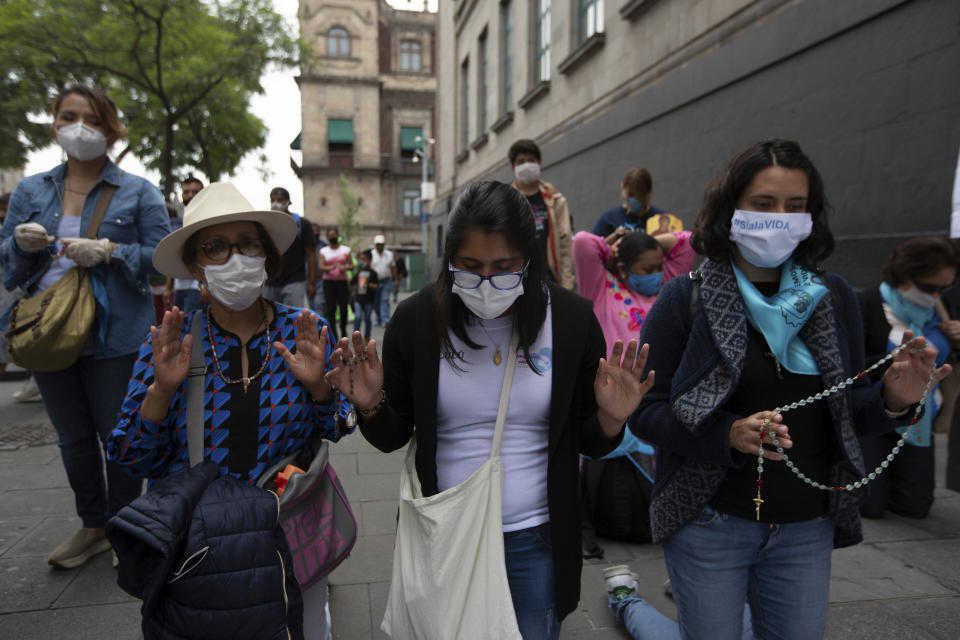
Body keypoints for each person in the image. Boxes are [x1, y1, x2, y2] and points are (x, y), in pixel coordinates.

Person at [629, 139, 950, 639]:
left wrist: (894, 398)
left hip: (806, 529)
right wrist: (727, 434)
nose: (781, 218)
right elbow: (645, 412)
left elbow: (846, 413)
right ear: (731, 207)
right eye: (764, 204)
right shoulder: (684, 298)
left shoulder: (832, 297)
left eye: (795, 207)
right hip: (710, 522)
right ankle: (629, 604)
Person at [326, 181, 655, 639]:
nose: (486, 283)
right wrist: (370, 404)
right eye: (470, 267)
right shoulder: (417, 320)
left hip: (536, 538)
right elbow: (392, 435)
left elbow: (587, 439)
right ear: (449, 261)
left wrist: (612, 418)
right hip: (443, 535)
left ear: (529, 259)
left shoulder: (573, 321)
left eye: (504, 268)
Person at [106, 181, 353, 640]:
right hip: (202, 548)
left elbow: (336, 427)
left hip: (290, 531)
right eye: (215, 248)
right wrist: (160, 391)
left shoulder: (305, 329)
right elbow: (131, 457)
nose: (235, 258)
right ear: (196, 268)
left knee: (306, 626)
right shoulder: (169, 341)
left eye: (247, 244)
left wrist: (321, 388)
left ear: (266, 257)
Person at [0, 85, 170, 569]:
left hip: (113, 332)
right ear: (54, 123)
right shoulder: (32, 190)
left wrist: (112, 251)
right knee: (72, 438)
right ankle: (92, 525)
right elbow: (8, 269)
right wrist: (20, 245)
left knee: (118, 434)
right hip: (48, 331)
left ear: (112, 130)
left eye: (93, 120)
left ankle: (125, 523)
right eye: (69, 116)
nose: (81, 128)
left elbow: (161, 263)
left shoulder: (138, 191)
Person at [857, 236, 960, 519]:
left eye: (944, 288)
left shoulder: (939, 311)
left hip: (919, 418)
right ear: (904, 276)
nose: (935, 296)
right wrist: (896, 363)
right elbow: (848, 364)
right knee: (870, 505)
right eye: (929, 287)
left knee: (914, 506)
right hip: (875, 414)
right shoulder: (866, 304)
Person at [572, 227, 694, 349]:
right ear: (623, 269)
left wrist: (642, 242)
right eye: (649, 270)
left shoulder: (667, 287)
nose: (657, 274)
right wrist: (618, 249)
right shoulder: (601, 290)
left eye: (660, 267)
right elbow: (582, 241)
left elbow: (688, 240)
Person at [509, 139, 575, 290]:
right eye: (521, 161)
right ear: (512, 166)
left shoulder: (555, 199)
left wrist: (567, 284)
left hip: (552, 278)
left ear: (539, 163)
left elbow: (565, 242)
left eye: (531, 160)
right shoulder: (507, 201)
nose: (526, 165)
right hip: (519, 283)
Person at [262, 186, 317, 309]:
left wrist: (312, 283)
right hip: (270, 281)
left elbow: (311, 254)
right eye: (273, 200)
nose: (276, 203)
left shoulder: (302, 224)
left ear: (288, 202)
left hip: (295, 281)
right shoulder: (266, 225)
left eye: (280, 200)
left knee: (293, 318)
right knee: (269, 317)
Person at [163, 176, 204, 314]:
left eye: (195, 191)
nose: (190, 195)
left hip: (199, 286)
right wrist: (168, 287)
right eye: (186, 192)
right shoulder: (177, 223)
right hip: (179, 286)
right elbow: (174, 255)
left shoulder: (210, 219)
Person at [592, 168, 665, 238]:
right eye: (628, 195)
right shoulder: (608, 219)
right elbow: (593, 248)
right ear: (622, 187)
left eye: (636, 196)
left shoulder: (662, 220)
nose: (631, 200)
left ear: (647, 194)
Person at [319, 227, 353, 340]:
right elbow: (321, 266)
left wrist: (345, 268)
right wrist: (330, 268)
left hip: (342, 283)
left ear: (338, 236)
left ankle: (343, 329)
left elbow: (352, 265)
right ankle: (333, 333)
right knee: (330, 309)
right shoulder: (324, 251)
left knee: (343, 308)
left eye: (334, 235)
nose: (332, 237)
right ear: (327, 237)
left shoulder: (345, 250)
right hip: (328, 283)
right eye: (330, 235)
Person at [351, 249, 379, 341]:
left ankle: (367, 335)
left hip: (369, 300)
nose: (362, 262)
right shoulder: (359, 272)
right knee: (358, 317)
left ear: (370, 261)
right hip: (358, 299)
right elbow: (352, 281)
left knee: (367, 318)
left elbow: (376, 285)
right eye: (361, 260)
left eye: (364, 260)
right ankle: (356, 336)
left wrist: (373, 286)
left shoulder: (373, 273)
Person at [371, 234, 397, 326]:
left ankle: (385, 319)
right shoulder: (371, 254)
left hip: (386, 281)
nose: (380, 246)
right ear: (375, 245)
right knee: (376, 302)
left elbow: (393, 268)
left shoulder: (389, 254)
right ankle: (378, 318)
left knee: (384, 300)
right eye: (378, 244)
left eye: (381, 244)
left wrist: (396, 280)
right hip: (375, 282)